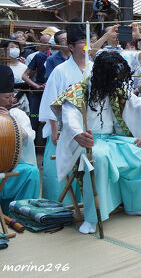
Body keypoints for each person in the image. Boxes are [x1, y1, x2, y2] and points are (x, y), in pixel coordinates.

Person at [52, 51, 141, 234]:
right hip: (89, 142)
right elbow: (69, 115)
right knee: (99, 158)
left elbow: (137, 105)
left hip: (113, 140)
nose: (117, 82)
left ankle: (139, 204)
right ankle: (92, 217)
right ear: (103, 75)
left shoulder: (116, 88)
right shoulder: (78, 91)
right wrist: (78, 134)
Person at [38, 22, 89, 202]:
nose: (85, 47)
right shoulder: (60, 71)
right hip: (62, 127)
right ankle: (56, 208)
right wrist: (54, 130)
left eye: (87, 43)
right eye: (82, 44)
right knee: (58, 172)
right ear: (70, 47)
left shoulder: (93, 67)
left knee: (87, 170)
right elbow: (51, 101)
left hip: (86, 127)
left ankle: (85, 206)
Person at [0, 65, 40, 213]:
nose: (12, 99)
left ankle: (22, 213)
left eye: (12, 95)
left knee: (32, 172)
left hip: (13, 165)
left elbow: (28, 137)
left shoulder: (17, 113)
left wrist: (10, 120)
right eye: (7, 97)